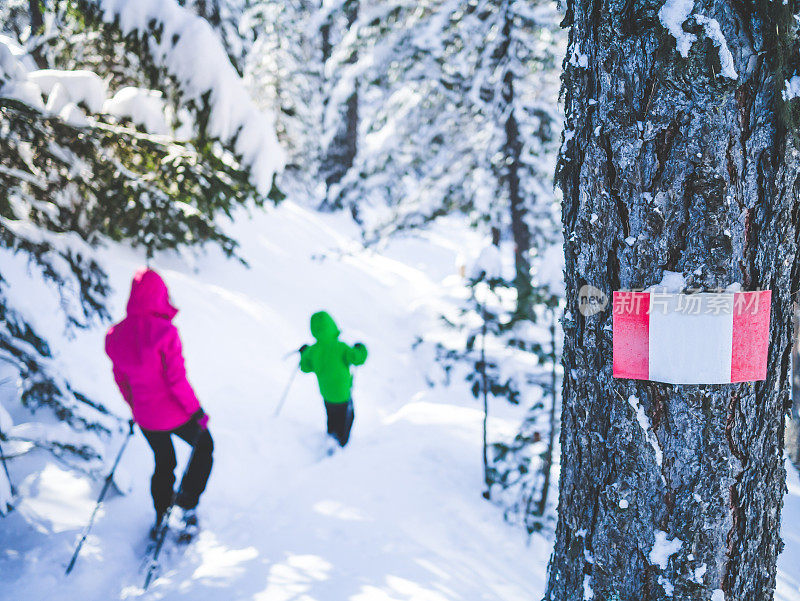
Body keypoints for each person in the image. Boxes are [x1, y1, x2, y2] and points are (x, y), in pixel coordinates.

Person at [105, 268, 213, 538]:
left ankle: (161, 513)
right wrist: (197, 412)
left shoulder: (115, 334)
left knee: (164, 462)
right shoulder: (165, 332)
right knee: (205, 446)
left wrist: (135, 407)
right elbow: (177, 381)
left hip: (146, 418)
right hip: (175, 414)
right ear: (160, 295)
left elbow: (122, 381)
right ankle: (186, 505)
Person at [299, 311, 367, 450]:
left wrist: (303, 353)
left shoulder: (313, 350)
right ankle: (341, 445)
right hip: (342, 394)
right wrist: (361, 349)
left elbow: (305, 367)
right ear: (332, 325)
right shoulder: (340, 347)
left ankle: (331, 436)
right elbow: (357, 359)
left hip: (326, 393)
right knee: (347, 417)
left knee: (332, 415)